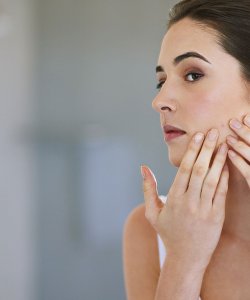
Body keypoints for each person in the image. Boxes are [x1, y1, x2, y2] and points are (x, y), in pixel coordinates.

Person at [122, 0, 250, 299]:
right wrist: (182, 261)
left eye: (192, 75)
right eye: (161, 81)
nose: (160, 101)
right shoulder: (149, 230)